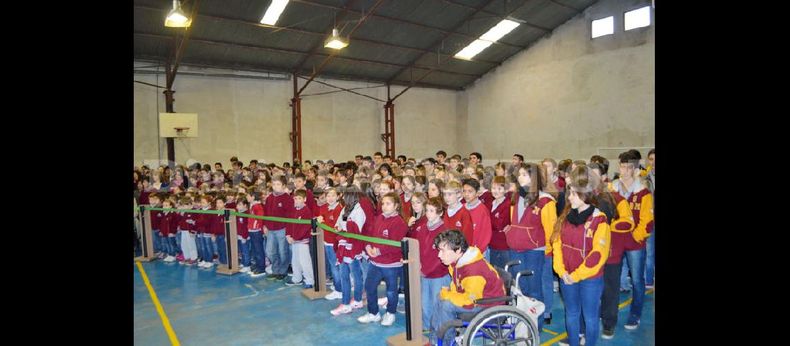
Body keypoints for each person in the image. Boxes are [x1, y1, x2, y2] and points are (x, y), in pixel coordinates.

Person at [551, 165, 611, 346]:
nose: (569, 198)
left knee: (590, 317)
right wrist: (561, 272)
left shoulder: (599, 220)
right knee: (571, 314)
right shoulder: (566, 216)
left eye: (574, 194)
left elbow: (597, 256)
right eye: (569, 193)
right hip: (566, 276)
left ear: (585, 195)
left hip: (589, 278)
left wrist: (575, 276)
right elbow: (557, 245)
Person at [430, 229, 506, 345]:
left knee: (446, 304)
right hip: (476, 299)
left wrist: (449, 295)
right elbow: (458, 287)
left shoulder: (473, 270)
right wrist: (448, 294)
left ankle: (447, 342)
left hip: (488, 305)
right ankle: (435, 340)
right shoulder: (458, 261)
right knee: (440, 296)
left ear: (458, 250)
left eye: (443, 251)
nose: (439, 255)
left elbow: (470, 302)